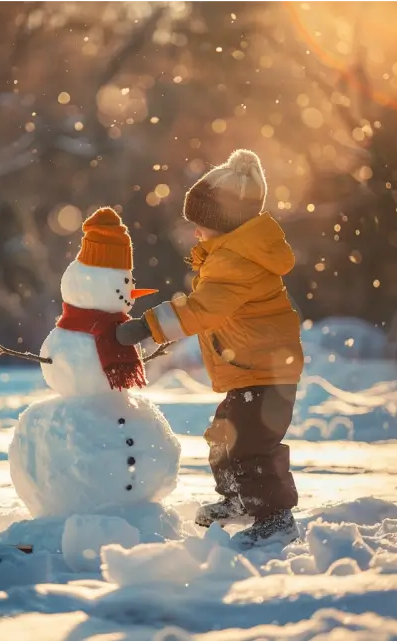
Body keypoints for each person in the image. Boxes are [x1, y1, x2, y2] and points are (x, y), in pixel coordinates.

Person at [116, 149, 304, 548]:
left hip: (264, 373)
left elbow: (202, 309)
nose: (195, 232)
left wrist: (149, 326)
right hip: (254, 371)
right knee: (225, 438)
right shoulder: (231, 257)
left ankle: (274, 519)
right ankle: (239, 500)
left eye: (200, 224)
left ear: (224, 223)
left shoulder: (236, 263)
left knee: (250, 447)